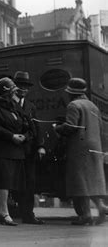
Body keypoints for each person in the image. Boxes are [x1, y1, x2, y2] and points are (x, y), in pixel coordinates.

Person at [54, 78, 106, 225]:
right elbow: (100, 129)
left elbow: (71, 127)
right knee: (92, 181)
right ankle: (101, 206)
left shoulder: (73, 105)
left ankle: (86, 215)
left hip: (79, 148)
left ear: (71, 93)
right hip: (95, 148)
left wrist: (57, 128)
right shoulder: (93, 106)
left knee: (80, 182)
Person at [0, 77, 27, 226]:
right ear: (6, 92)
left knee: (9, 182)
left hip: (14, 150)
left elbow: (22, 123)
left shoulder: (13, 107)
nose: (15, 93)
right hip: (0, 150)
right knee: (3, 181)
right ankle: (3, 212)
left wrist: (23, 135)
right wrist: (12, 136)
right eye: (13, 90)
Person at [12, 71, 46, 224]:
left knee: (30, 182)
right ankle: (10, 209)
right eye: (20, 86)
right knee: (13, 181)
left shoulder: (31, 106)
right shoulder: (7, 103)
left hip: (29, 149)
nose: (23, 89)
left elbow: (36, 127)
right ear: (14, 87)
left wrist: (40, 146)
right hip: (12, 148)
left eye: (25, 86)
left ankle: (28, 213)